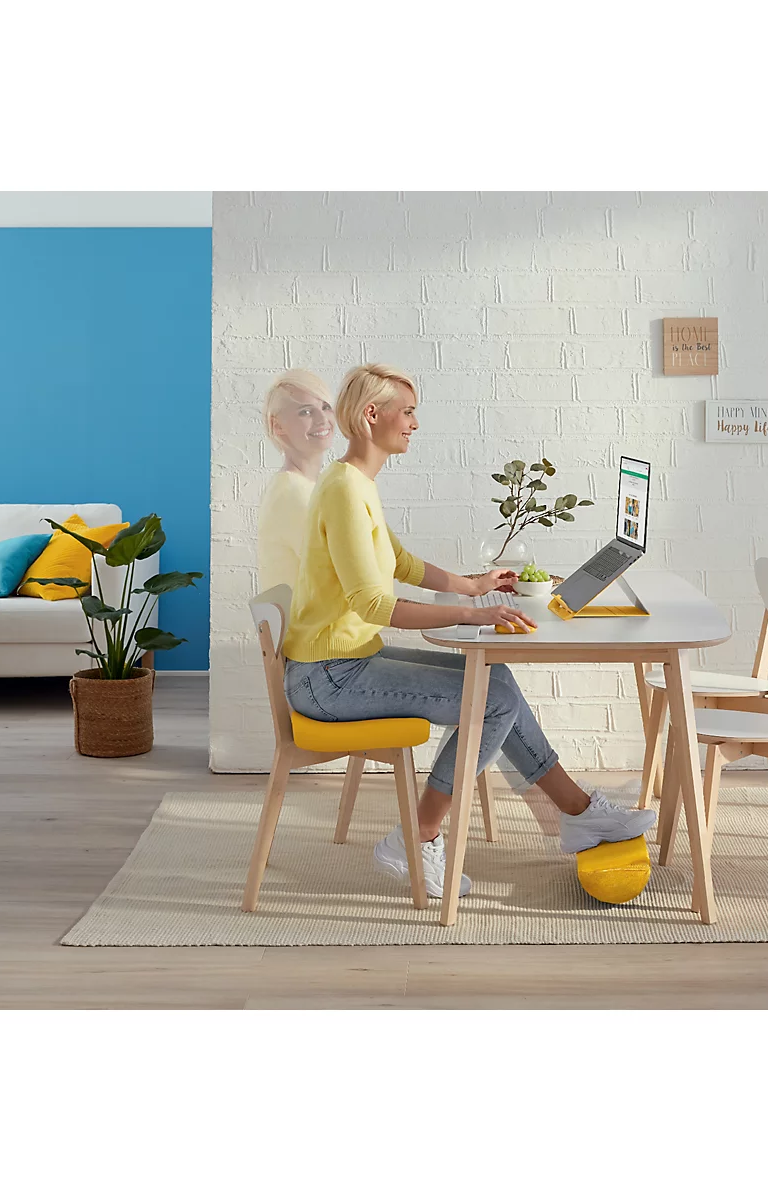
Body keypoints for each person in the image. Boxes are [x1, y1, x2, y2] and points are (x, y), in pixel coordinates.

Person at [281, 364, 655, 898]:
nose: (414, 423)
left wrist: (472, 586)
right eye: (407, 412)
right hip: (329, 678)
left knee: (495, 681)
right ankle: (418, 836)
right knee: (492, 702)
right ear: (372, 415)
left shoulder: (355, 482)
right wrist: (470, 613)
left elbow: (399, 561)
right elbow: (373, 603)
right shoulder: (343, 489)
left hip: (345, 663)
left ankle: (578, 813)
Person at [257, 369, 334, 593]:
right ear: (278, 425)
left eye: (326, 407)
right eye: (306, 412)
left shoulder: (304, 487)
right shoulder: (293, 493)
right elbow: (342, 579)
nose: (323, 419)